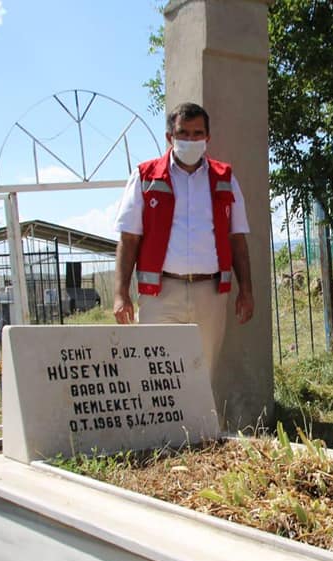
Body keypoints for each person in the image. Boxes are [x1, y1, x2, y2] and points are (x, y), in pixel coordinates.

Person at [113, 102, 254, 383]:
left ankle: (199, 429)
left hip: (210, 293)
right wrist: (120, 294)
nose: (191, 139)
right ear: (170, 137)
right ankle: (161, 429)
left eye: (197, 133)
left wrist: (246, 291)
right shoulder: (146, 176)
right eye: (184, 133)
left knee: (202, 373)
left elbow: (237, 239)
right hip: (160, 293)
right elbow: (129, 239)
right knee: (156, 374)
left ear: (207, 138)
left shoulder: (224, 179)